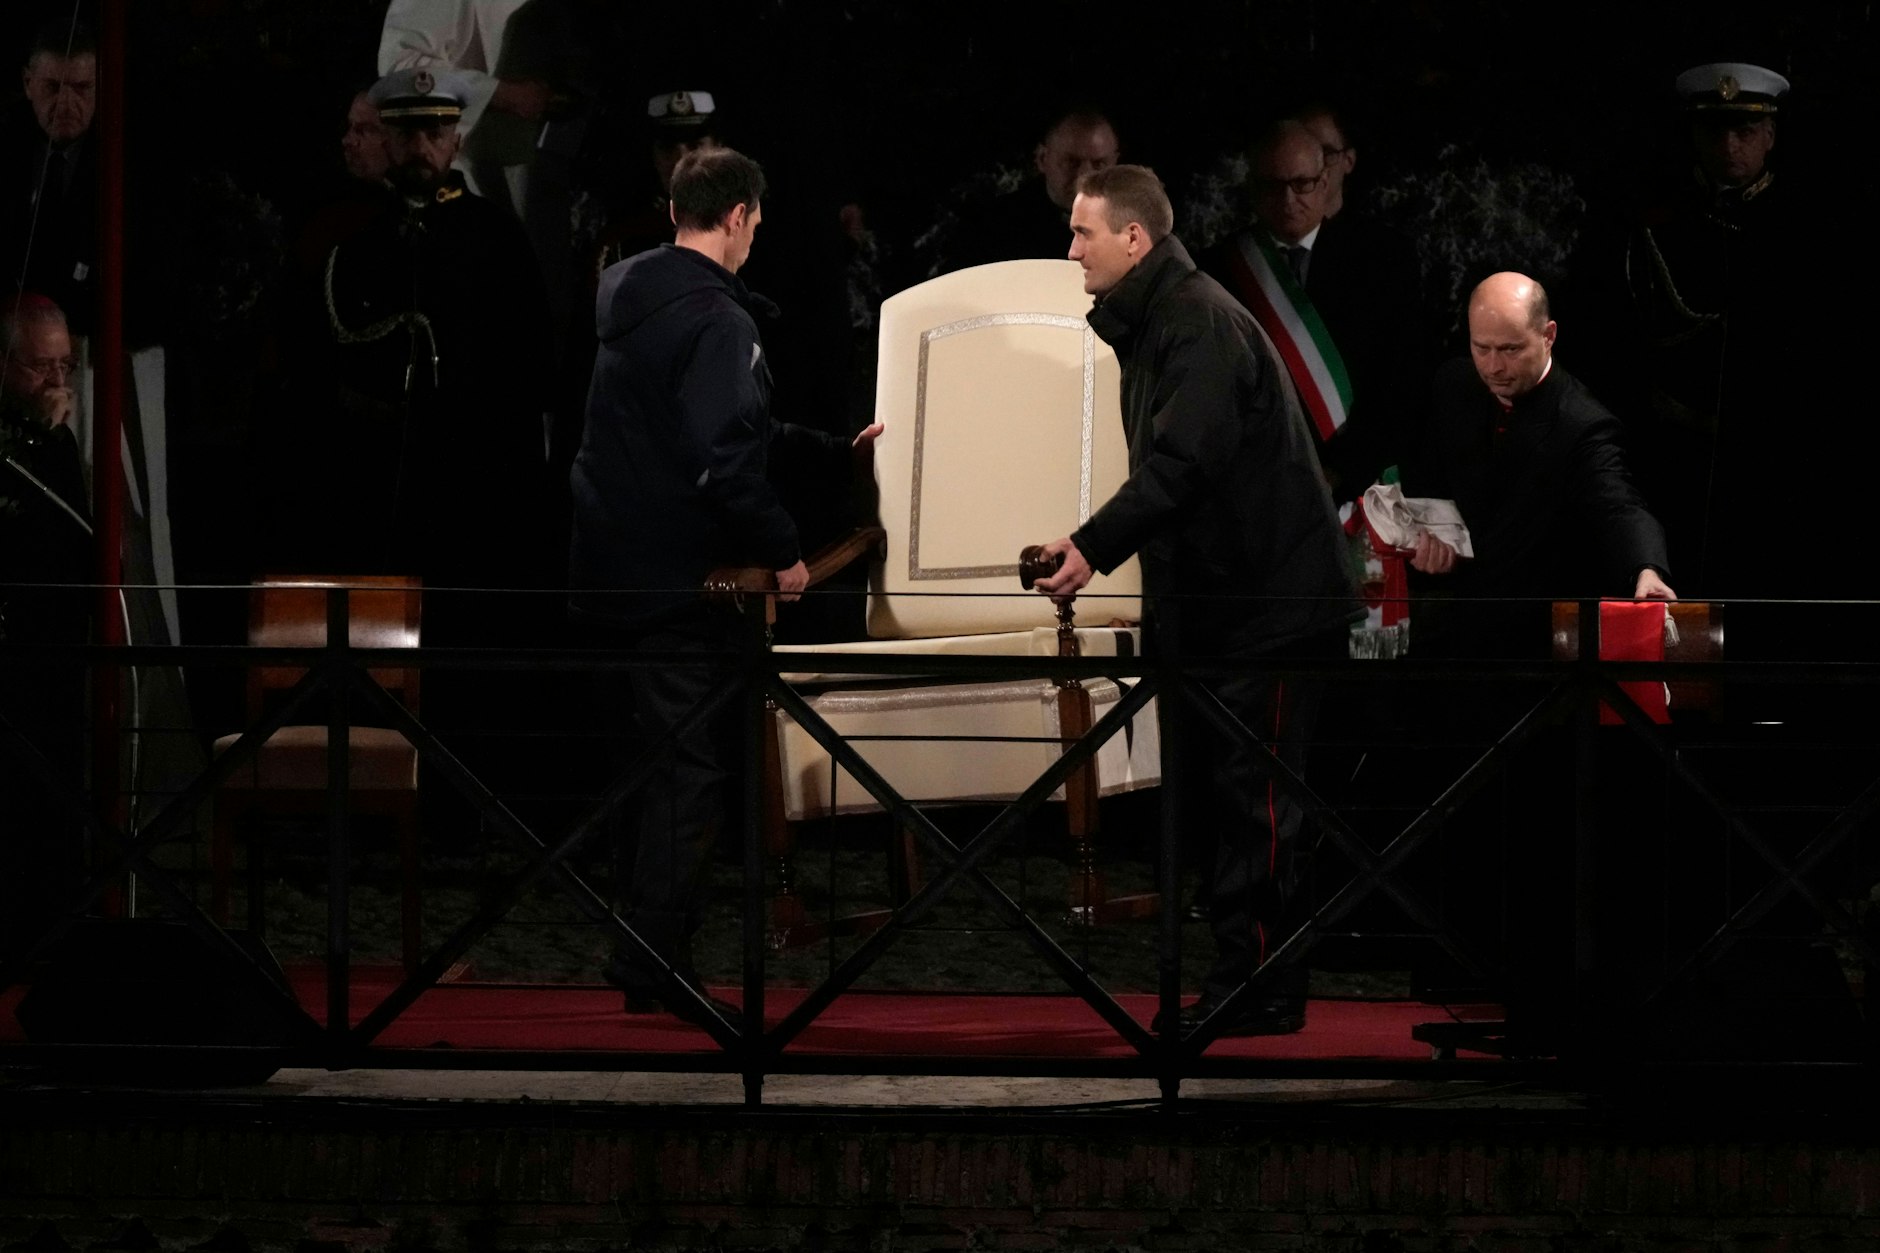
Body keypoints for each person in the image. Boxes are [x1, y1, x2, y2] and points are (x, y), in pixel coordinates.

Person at [1030, 164, 1360, 1038]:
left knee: (1259, 804)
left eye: (1083, 233)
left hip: (1272, 611)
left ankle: (1262, 989)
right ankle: (1247, 982)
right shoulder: (1164, 317)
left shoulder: (1198, 319)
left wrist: (1090, 549)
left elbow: (1180, 466)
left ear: (1133, 239)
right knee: (1234, 802)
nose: (1072, 250)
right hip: (1231, 609)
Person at [568, 147, 880, 1025]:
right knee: (687, 779)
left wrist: (828, 450)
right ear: (741, 215)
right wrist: (784, 552)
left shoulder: (633, 296)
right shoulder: (716, 318)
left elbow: (707, 424)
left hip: (608, 574)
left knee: (646, 770)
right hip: (679, 585)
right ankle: (652, 962)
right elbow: (725, 457)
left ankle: (640, 953)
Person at [1402, 272, 1674, 658]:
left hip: (1536, 646)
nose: (1493, 366)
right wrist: (1425, 536)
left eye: (1510, 350)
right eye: (1482, 347)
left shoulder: (1581, 423)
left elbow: (1619, 505)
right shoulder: (1453, 385)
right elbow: (1427, 481)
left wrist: (1646, 569)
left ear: (1548, 336)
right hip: (1453, 630)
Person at [1200, 120, 1424, 507]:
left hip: (1360, 483)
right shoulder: (1216, 272)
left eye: (1301, 184)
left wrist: (1338, 471)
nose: (1288, 200)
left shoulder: (1385, 260)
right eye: (1273, 185)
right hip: (1261, 492)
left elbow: (1402, 382)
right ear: (1252, 187)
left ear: (1324, 182)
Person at [0, 294, 91, 964]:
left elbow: (75, 535)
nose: (57, 382)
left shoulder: (53, 437)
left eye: (65, 365)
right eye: (39, 367)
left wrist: (60, 440)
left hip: (58, 647)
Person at [930, 104, 1122, 274]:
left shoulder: (1136, 227)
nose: (1084, 177)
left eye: (1099, 164)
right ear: (1042, 159)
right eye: (1071, 162)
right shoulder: (993, 228)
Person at [0, 21, 98, 333]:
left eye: (82, 88)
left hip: (89, 334)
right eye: (52, 87)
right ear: (28, 83)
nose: (67, 105)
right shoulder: (7, 142)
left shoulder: (120, 156)